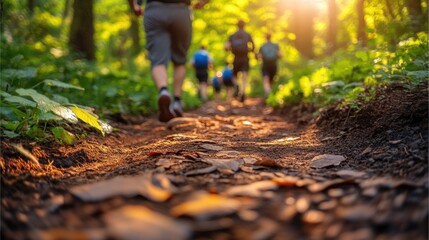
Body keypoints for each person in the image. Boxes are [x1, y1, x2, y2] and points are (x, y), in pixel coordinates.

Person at [128, 0, 209, 122]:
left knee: (158, 60)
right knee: (179, 61)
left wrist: (135, 5)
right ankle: (177, 101)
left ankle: (163, 91)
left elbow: (135, 4)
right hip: (181, 12)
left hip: (154, 11)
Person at [225, 19, 255, 102]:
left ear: (237, 25)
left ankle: (237, 85)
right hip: (245, 57)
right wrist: (250, 51)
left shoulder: (232, 35)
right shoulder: (247, 34)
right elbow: (253, 46)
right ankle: (243, 91)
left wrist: (231, 49)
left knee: (234, 75)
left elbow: (226, 47)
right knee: (244, 75)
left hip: (236, 57)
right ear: (244, 25)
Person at [258, 32, 281, 98]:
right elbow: (280, 55)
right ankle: (270, 94)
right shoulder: (275, 45)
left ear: (265, 37)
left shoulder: (262, 46)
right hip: (274, 64)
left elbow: (259, 56)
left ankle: (267, 91)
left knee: (266, 79)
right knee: (271, 80)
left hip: (265, 64)